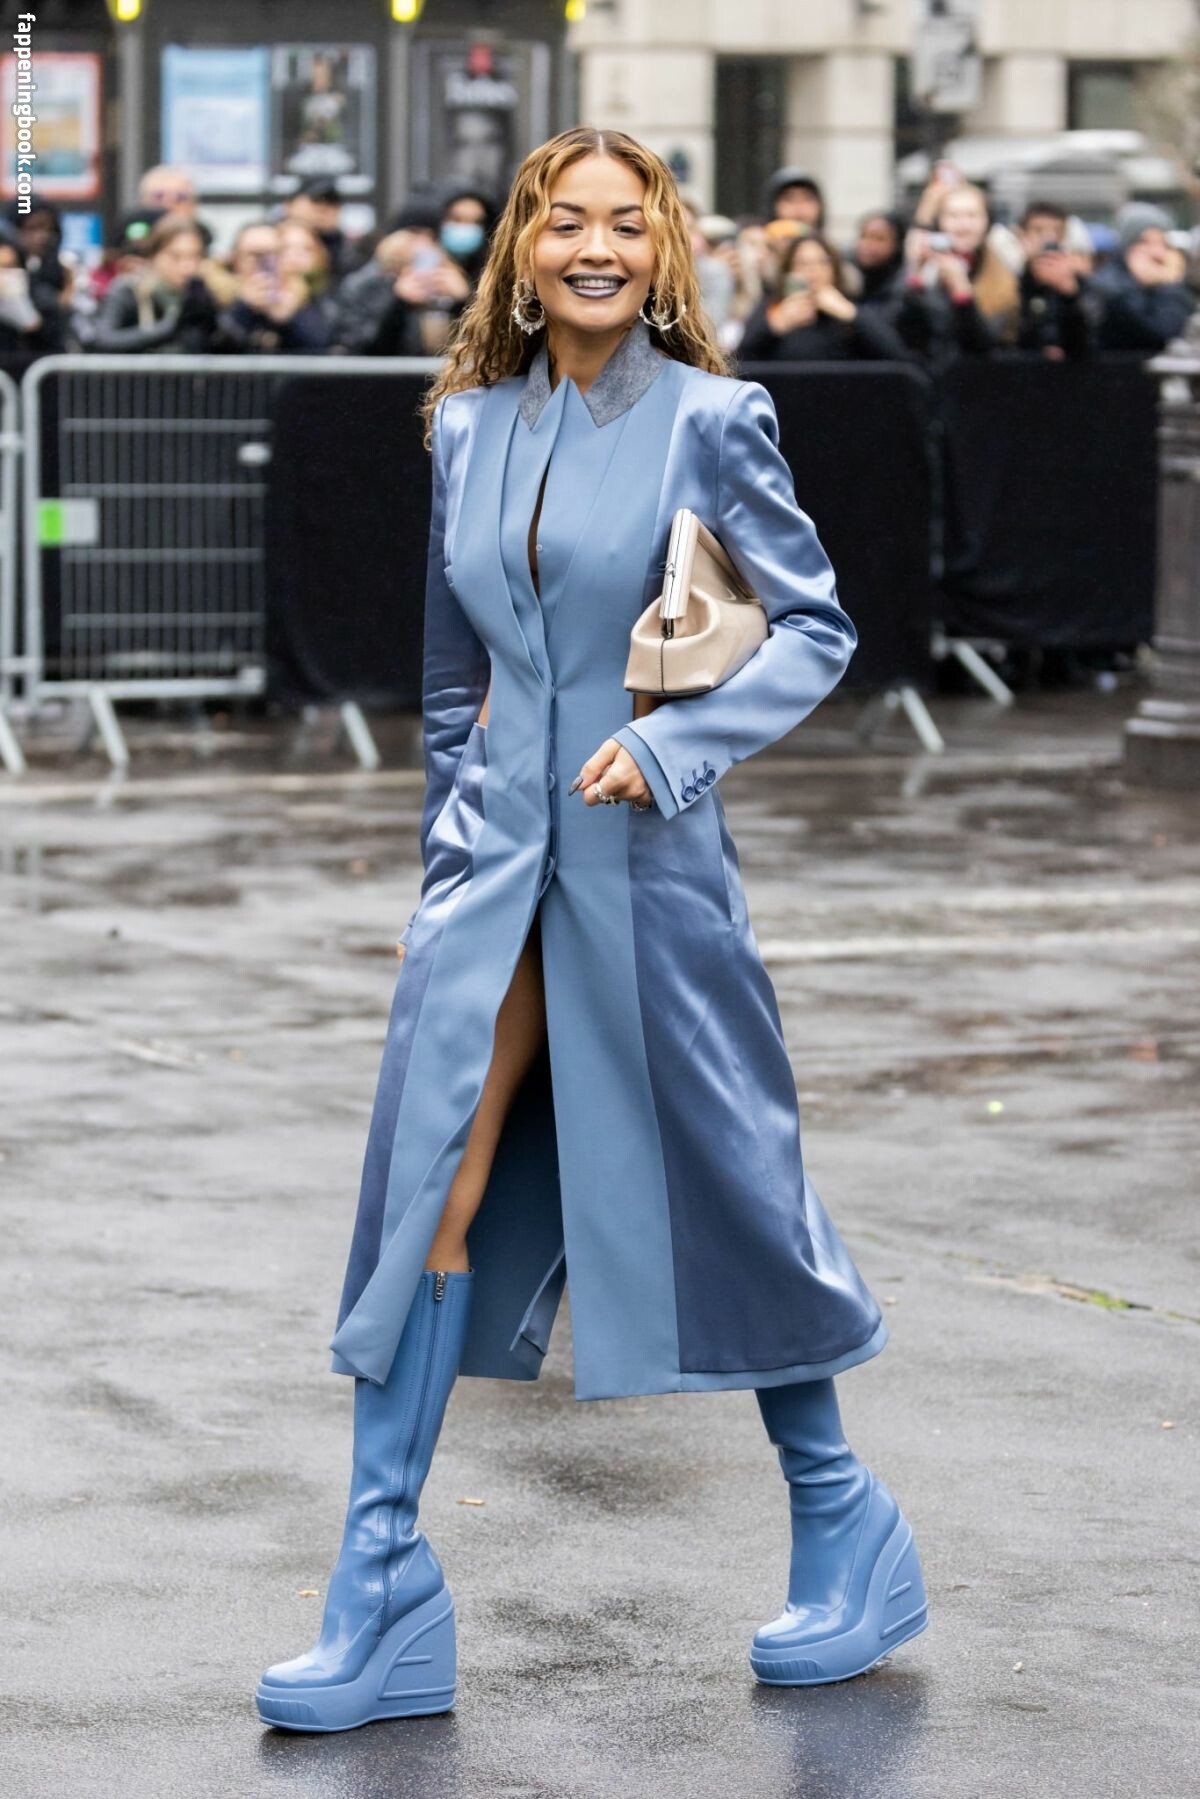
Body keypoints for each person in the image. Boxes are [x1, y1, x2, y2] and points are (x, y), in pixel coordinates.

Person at [255, 124, 928, 1734]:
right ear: (527, 247)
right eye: (570, 222)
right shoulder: (467, 426)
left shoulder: (713, 418)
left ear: (662, 249)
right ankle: (382, 1581)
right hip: (490, 868)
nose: (598, 247)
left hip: (650, 869)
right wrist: (445, 852)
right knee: (425, 1180)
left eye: (628, 223)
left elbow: (814, 625)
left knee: (733, 1189)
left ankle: (844, 1518)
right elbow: (450, 677)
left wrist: (678, 742)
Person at [896, 182, 1019, 367]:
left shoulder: (1003, 273)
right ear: (939, 222)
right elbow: (905, 338)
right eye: (953, 216)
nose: (963, 225)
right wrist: (916, 279)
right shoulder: (925, 269)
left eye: (972, 215)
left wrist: (962, 293)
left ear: (987, 221)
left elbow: (986, 345)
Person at [738, 231, 908, 362]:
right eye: (802, 263)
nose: (813, 270)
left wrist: (852, 314)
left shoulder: (849, 309)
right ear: (788, 271)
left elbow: (895, 353)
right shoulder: (771, 307)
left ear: (834, 269)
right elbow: (741, 359)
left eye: (822, 262)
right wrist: (774, 326)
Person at [88, 216, 225, 354]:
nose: (187, 267)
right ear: (154, 255)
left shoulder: (203, 295)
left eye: (195, 256)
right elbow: (103, 340)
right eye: (175, 256)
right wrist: (167, 328)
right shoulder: (129, 290)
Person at [1093, 203, 1195, 356]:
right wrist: (1168, 285)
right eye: (1144, 242)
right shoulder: (1106, 282)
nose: (1157, 252)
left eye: (1162, 242)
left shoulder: (1164, 281)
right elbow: (1160, 332)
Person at [217, 220, 333, 354]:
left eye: (273, 253)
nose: (265, 262)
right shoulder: (217, 292)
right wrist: (244, 307)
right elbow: (214, 346)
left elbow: (321, 348)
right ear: (236, 259)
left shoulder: (302, 293)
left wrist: (289, 318)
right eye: (255, 255)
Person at [1015, 200, 1093, 360]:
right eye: (1038, 231)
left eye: (1057, 231)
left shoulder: (1081, 285)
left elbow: (1089, 339)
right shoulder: (1012, 283)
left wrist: (1069, 294)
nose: (1049, 238)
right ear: (1023, 237)